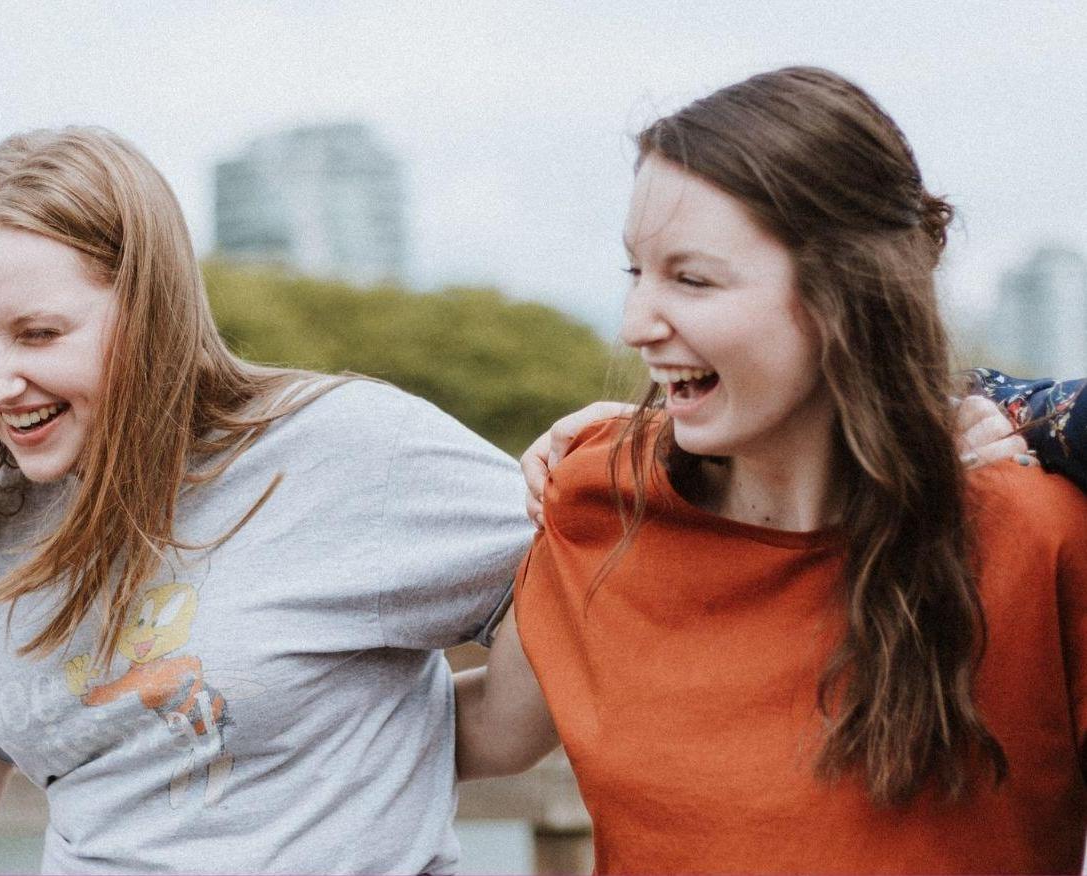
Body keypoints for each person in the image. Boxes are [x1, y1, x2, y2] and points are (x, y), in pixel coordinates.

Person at [0, 127, 534, 875]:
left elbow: (583, 599)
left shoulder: (351, 448)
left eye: (38, 335)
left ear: (149, 311)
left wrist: (404, 737)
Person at [455, 67, 1087, 874]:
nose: (635, 325)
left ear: (848, 295)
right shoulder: (598, 500)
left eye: (691, 278)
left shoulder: (1042, 541)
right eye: (634, 273)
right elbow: (483, 733)